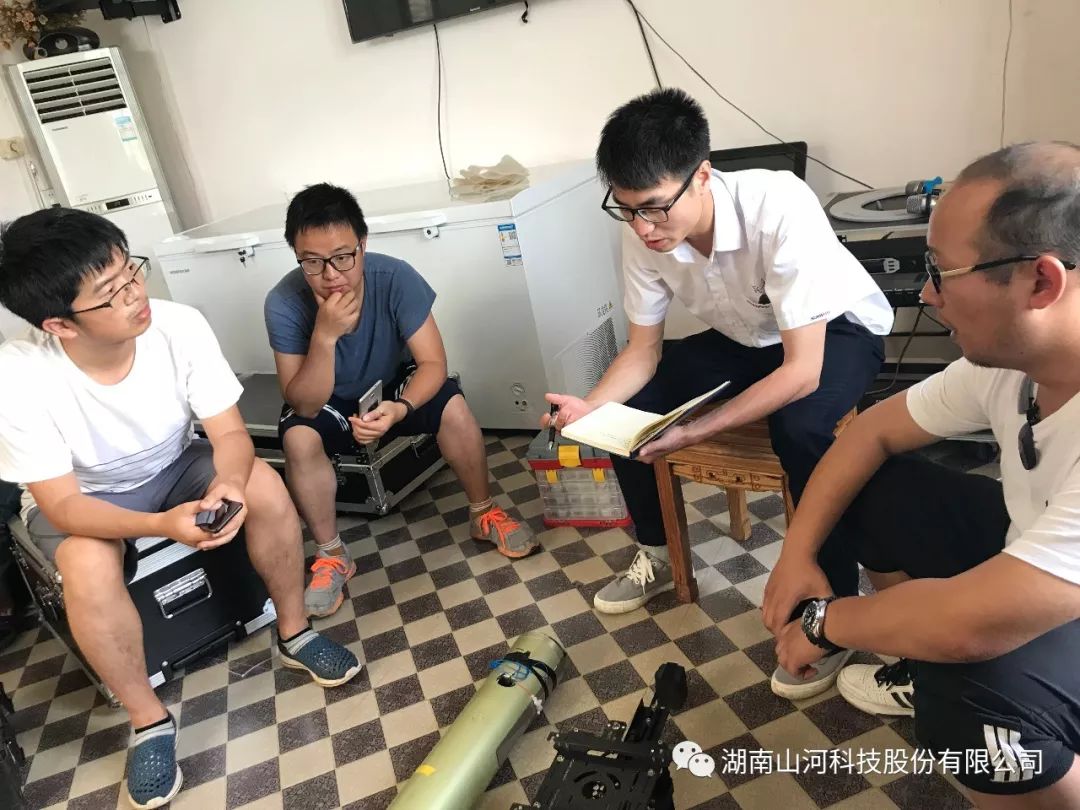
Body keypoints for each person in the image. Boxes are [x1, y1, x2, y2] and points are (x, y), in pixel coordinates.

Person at [0, 209, 362, 810]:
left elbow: (230, 435)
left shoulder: (177, 324)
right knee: (87, 568)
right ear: (59, 324)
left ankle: (294, 631)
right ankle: (148, 721)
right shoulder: (17, 374)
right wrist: (160, 526)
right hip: (85, 496)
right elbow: (62, 505)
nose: (135, 293)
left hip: (175, 461)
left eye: (131, 270)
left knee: (265, 488)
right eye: (111, 292)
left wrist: (231, 484)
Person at [545, 88, 892, 699]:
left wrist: (696, 428)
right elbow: (643, 351)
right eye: (626, 211)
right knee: (629, 411)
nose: (643, 227)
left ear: (702, 175)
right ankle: (655, 552)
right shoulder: (642, 231)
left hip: (835, 332)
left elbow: (802, 371)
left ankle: (830, 608)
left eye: (654, 209)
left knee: (802, 428)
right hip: (747, 336)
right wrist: (593, 406)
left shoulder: (778, 204)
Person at [765, 141, 1080, 807]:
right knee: (872, 486)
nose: (927, 293)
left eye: (941, 271)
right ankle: (920, 654)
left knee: (970, 695)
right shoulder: (1013, 364)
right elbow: (870, 433)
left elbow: (969, 628)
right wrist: (798, 553)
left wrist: (825, 621)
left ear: (1041, 283)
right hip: (1045, 560)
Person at [264, 183, 539, 617]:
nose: (330, 274)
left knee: (453, 407)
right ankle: (332, 553)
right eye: (312, 262)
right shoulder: (283, 302)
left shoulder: (395, 278)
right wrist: (324, 336)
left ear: (362, 243)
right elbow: (304, 403)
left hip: (392, 387)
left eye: (342, 256)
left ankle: (483, 512)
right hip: (327, 398)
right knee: (299, 439)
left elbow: (433, 363)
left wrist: (401, 408)